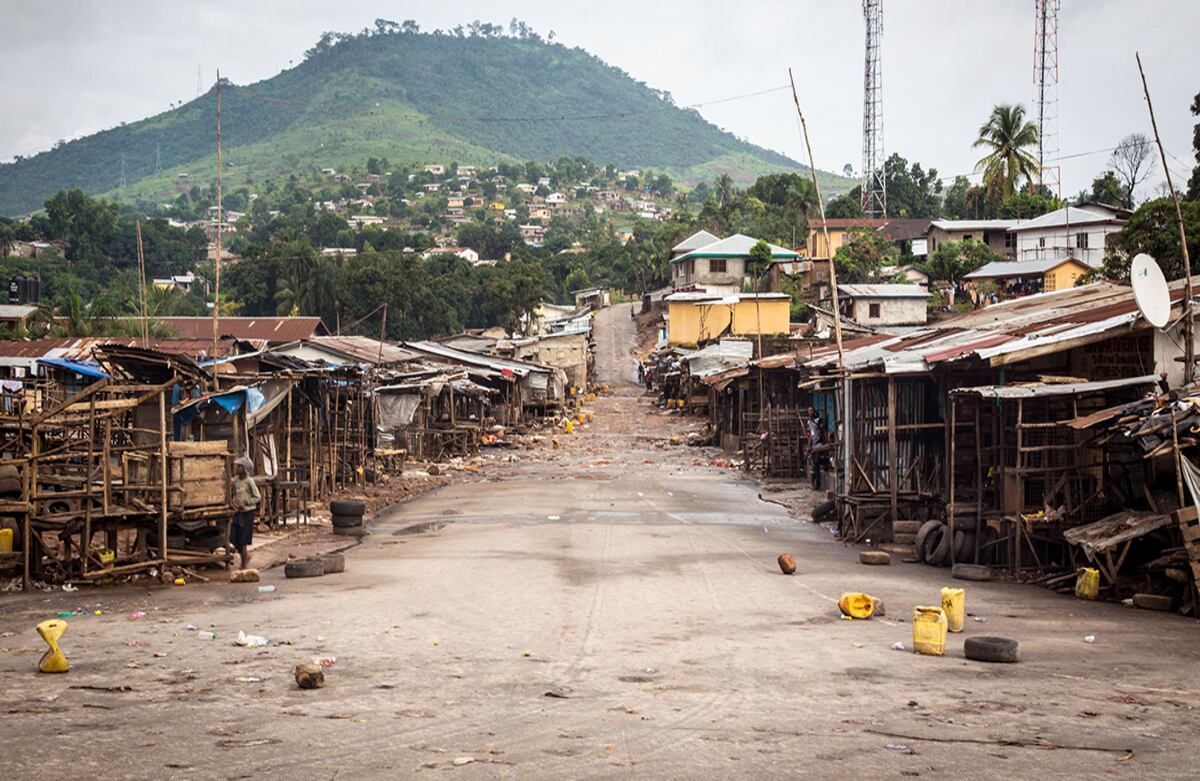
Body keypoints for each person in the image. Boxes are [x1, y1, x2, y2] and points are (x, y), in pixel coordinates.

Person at [230, 456, 261, 570]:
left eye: (238, 466)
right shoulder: (236, 481)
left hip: (247, 513)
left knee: (243, 540)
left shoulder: (249, 481)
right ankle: (246, 556)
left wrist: (246, 502)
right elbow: (235, 494)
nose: (236, 468)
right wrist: (234, 503)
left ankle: (243, 565)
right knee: (233, 537)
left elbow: (257, 497)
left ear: (244, 469)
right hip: (238, 513)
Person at [806, 407, 826, 489]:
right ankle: (815, 483)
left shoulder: (818, 420)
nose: (810, 412)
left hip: (819, 444)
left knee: (817, 462)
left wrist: (826, 442)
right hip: (813, 445)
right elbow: (810, 435)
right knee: (814, 464)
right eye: (809, 411)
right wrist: (809, 445)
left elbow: (824, 431)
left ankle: (817, 483)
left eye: (811, 410)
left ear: (814, 411)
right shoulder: (809, 423)